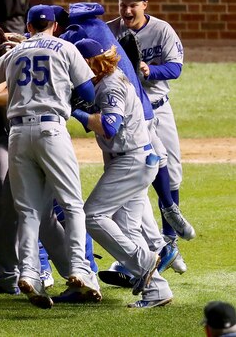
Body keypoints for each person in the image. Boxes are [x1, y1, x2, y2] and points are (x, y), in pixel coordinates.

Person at [0, 6, 101, 308]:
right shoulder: (66, 48)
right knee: (71, 204)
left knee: (28, 210)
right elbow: (89, 92)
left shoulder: (15, 52)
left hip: (18, 135)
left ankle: (30, 272)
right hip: (52, 132)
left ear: (29, 25)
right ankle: (80, 269)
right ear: (54, 26)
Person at [71, 38, 173, 308]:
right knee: (128, 230)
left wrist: (76, 112)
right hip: (134, 158)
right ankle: (157, 290)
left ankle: (147, 262)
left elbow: (109, 126)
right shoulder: (106, 79)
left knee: (92, 216)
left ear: (91, 63)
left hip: (131, 160)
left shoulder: (111, 85)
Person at [107, 0, 194, 273]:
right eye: (123, 4)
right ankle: (152, 246)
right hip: (132, 117)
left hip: (158, 107)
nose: (127, 10)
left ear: (145, 4)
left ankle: (169, 238)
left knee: (173, 175)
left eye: (133, 4)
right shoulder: (109, 30)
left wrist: (149, 69)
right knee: (138, 176)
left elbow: (176, 67)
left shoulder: (162, 30)